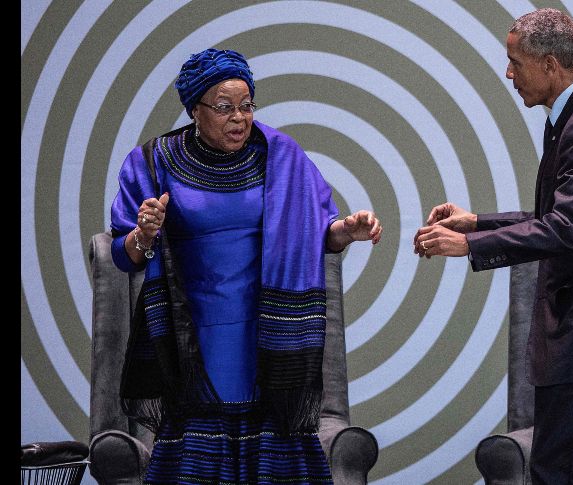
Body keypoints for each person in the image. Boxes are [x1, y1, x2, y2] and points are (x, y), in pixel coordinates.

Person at [413, 8, 573, 484]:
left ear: (551, 65)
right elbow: (562, 218)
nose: (509, 73)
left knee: (568, 475)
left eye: (515, 61)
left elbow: (566, 229)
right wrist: (476, 221)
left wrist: (470, 245)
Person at [110, 48, 382, 484]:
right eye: (224, 108)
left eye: (247, 105)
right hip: (194, 332)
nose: (239, 118)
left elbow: (322, 232)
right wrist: (144, 234)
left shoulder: (282, 156)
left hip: (269, 332)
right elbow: (125, 256)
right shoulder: (152, 161)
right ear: (194, 109)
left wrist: (346, 231)